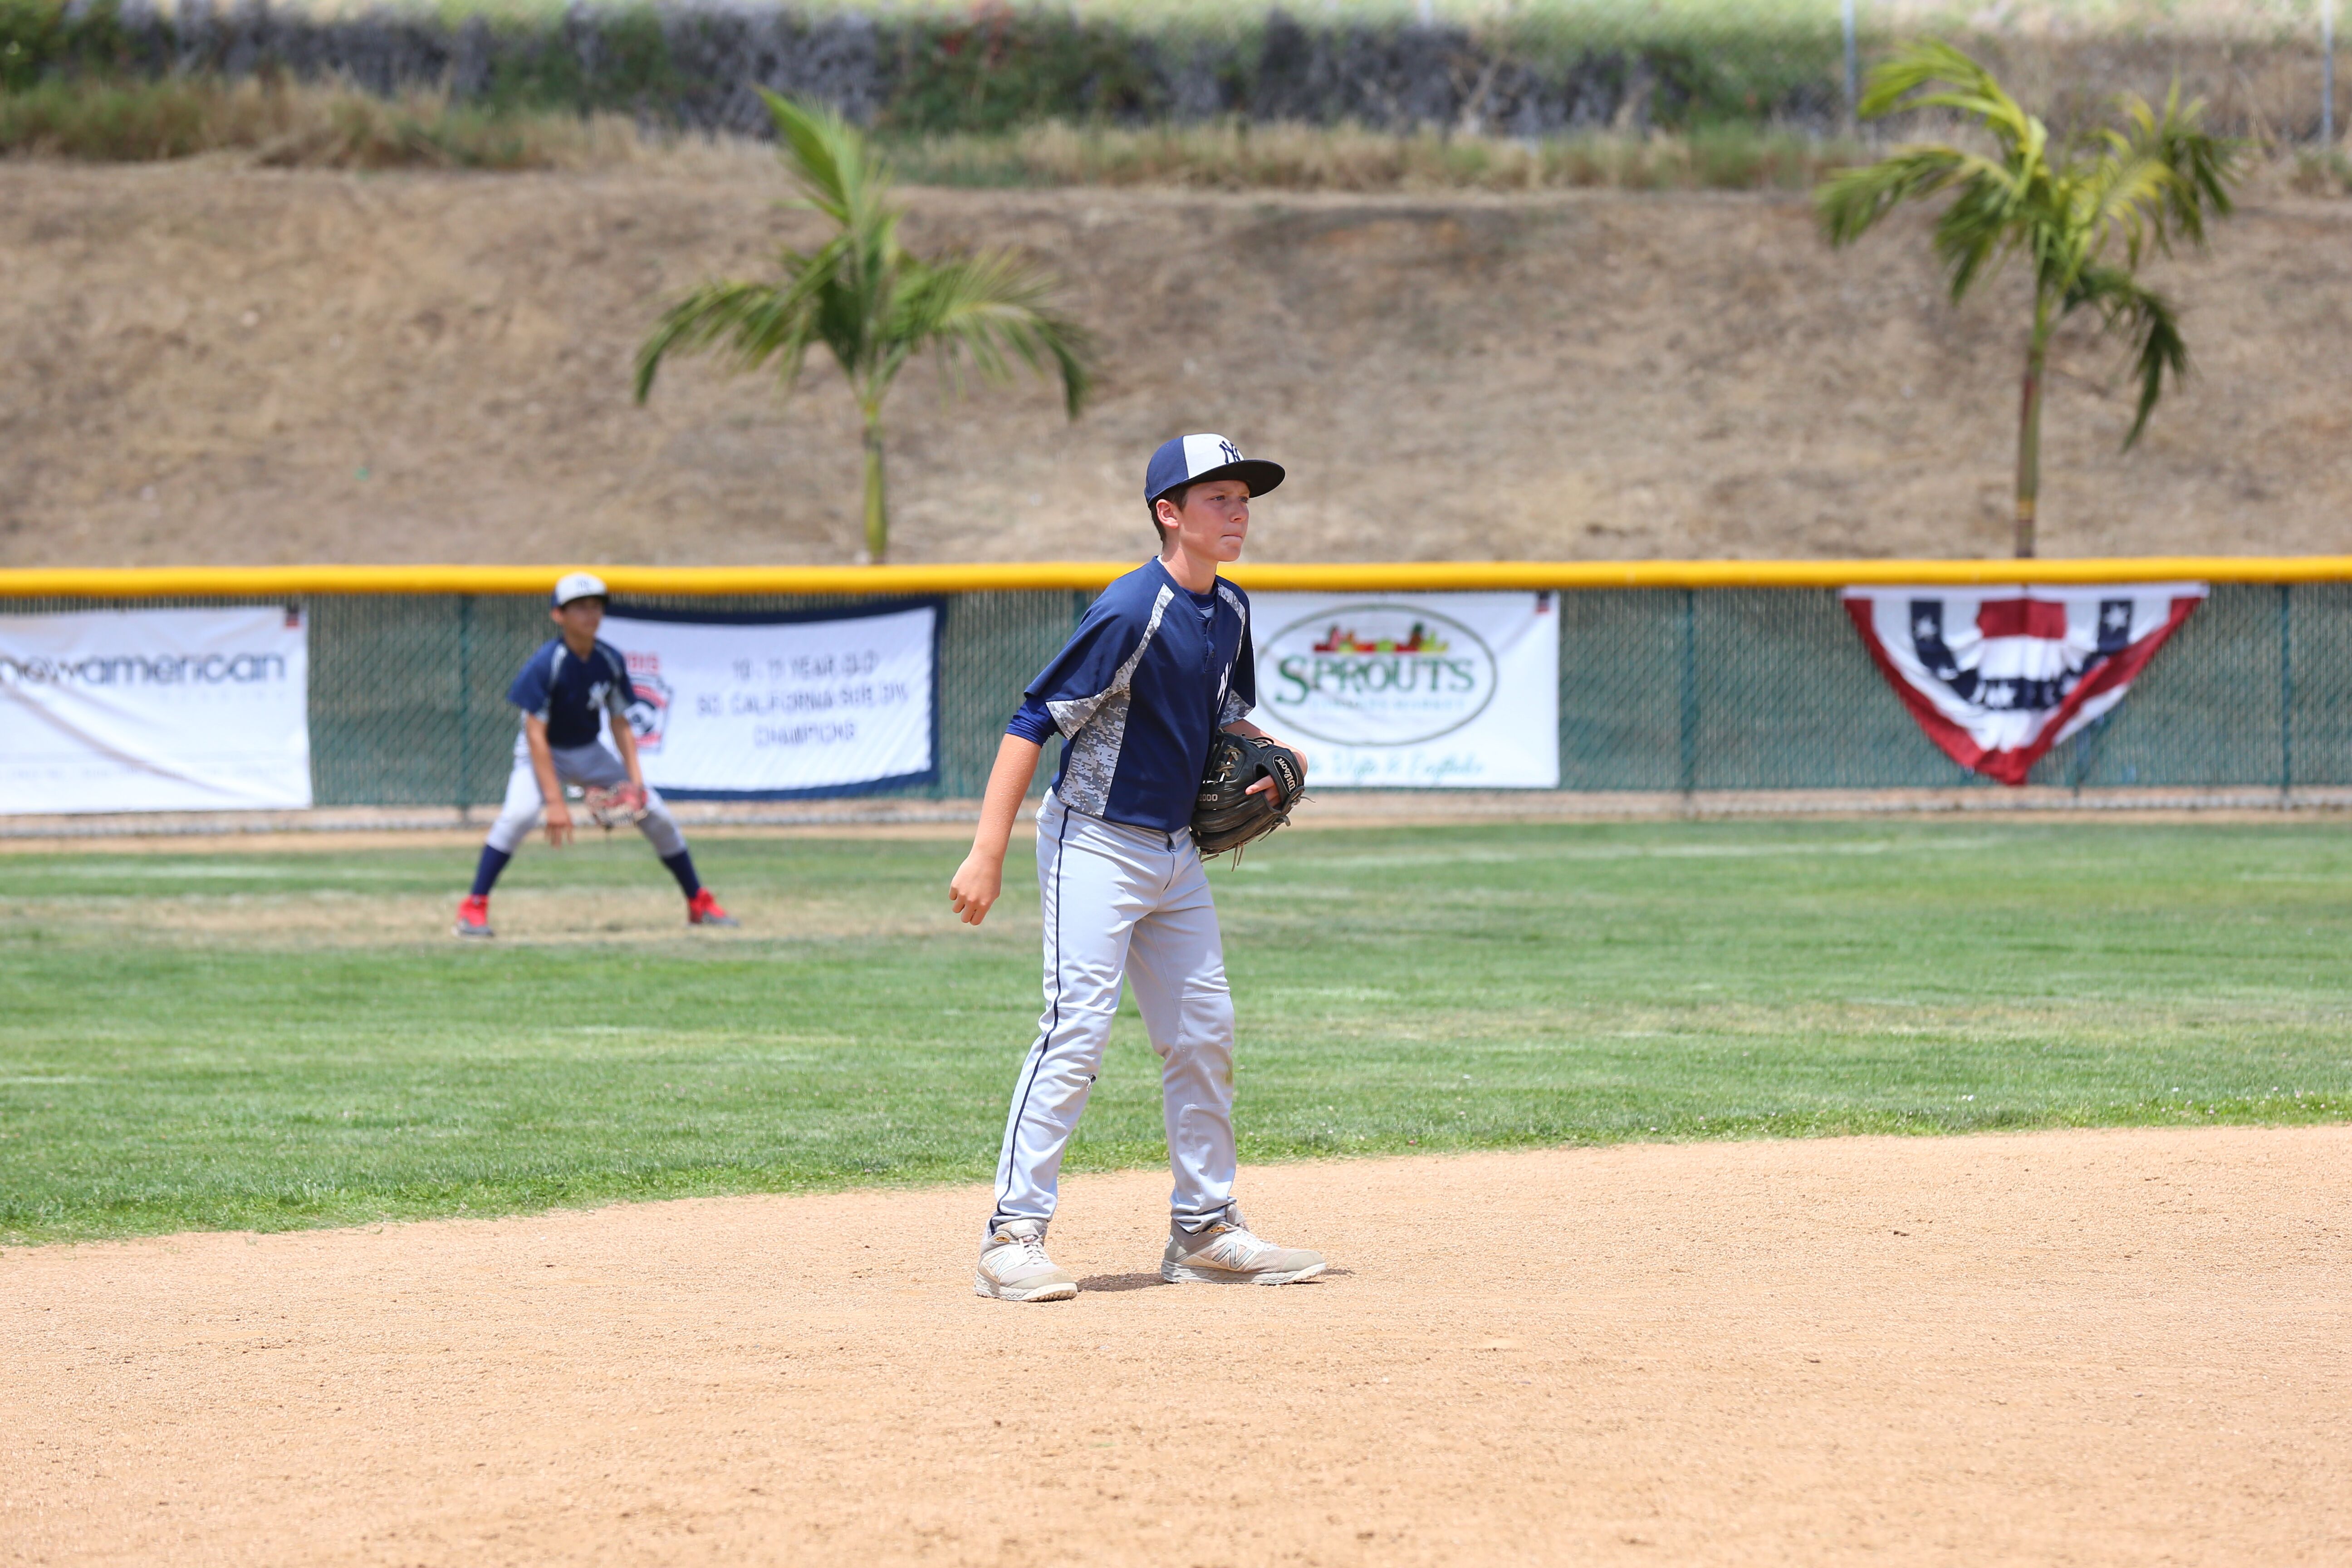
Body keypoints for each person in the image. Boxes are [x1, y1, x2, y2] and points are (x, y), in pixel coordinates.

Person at [948, 434, 1328, 1303]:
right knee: (1074, 1029)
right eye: (1218, 500)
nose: (1237, 515)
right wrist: (986, 851)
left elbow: (1227, 713)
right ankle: (1011, 1235)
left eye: (1243, 500)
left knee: (1203, 1031)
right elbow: (1031, 719)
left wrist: (1265, 750)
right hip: (1093, 843)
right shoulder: (1130, 609)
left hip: (1173, 854)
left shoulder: (1228, 610)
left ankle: (1203, 1228)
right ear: (1169, 513)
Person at [454, 573, 737, 938]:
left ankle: (699, 902)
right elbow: (535, 735)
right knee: (520, 814)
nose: (591, 614)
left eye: (596, 606)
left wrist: (637, 784)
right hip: (543, 752)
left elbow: (620, 724)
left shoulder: (609, 659)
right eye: (580, 607)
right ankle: (473, 908)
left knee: (658, 815)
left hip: (588, 751)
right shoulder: (547, 663)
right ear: (559, 615)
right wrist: (555, 801)